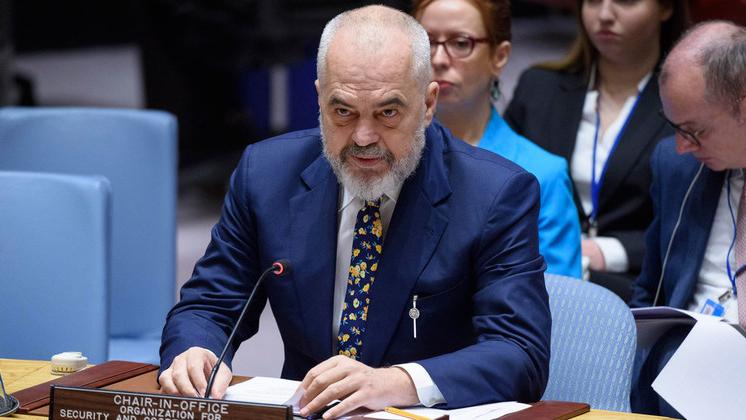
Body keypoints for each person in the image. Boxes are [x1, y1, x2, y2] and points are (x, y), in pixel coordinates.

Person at [158, 5, 551, 419]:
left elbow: (520, 352)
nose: (363, 137)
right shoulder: (266, 175)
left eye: (388, 113)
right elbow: (209, 304)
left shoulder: (494, 194)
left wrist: (398, 382)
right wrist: (194, 351)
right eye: (343, 111)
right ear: (319, 98)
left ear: (428, 103)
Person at [504, 0, 689, 300]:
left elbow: (693, 222)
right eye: (592, 1)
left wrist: (606, 251)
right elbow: (503, 190)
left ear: (666, 8)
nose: (604, 15)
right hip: (535, 276)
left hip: (640, 288)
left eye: (625, 1)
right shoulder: (538, 87)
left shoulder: (686, 103)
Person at [413, 0, 582, 279]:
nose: (439, 59)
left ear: (499, 56)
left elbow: (558, 298)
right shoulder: (389, 155)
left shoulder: (542, 174)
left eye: (461, 43)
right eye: (427, 42)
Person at [629, 21, 746, 416]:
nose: (682, 146)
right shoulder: (676, 166)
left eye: (694, 131)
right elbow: (650, 288)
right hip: (684, 366)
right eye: (675, 127)